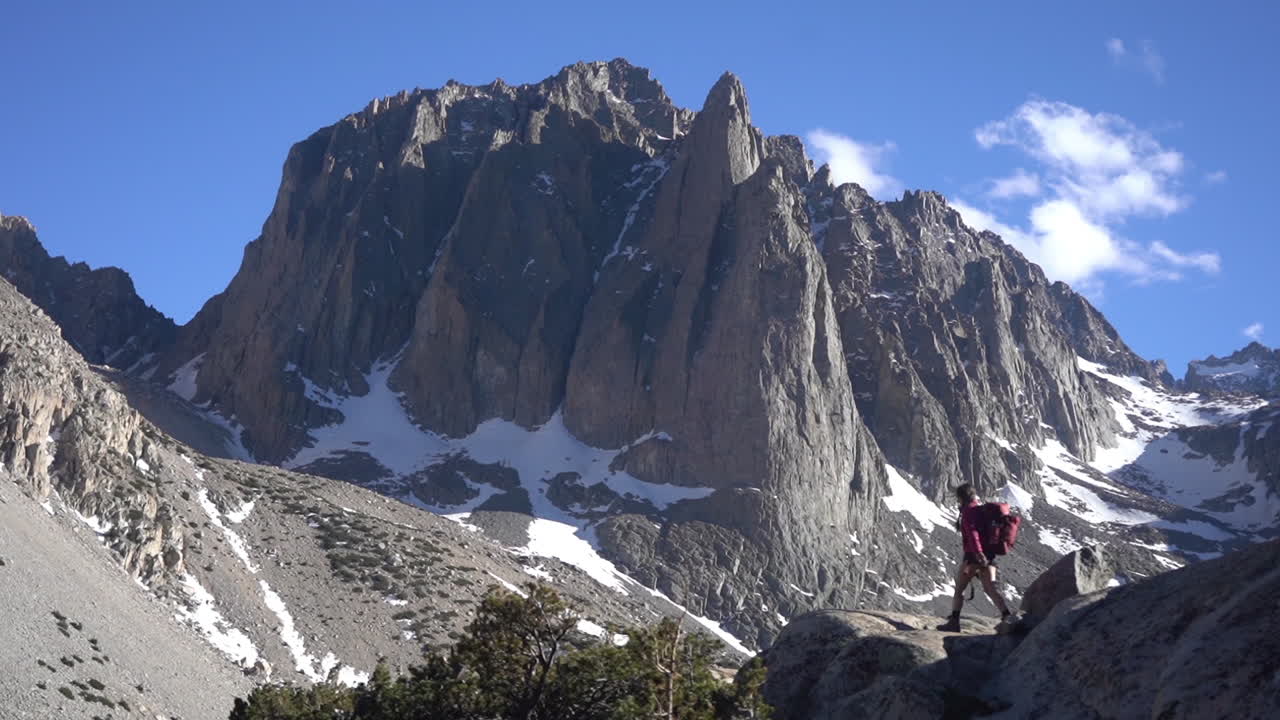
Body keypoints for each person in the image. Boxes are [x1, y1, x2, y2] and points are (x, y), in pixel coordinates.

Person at [938, 483, 1011, 632]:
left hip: (973, 558)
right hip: (989, 557)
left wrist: (978, 553)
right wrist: (984, 555)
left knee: (959, 589)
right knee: (991, 588)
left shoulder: (968, 512)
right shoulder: (982, 510)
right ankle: (1008, 618)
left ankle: (954, 623)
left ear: (961, 498)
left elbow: (973, 534)